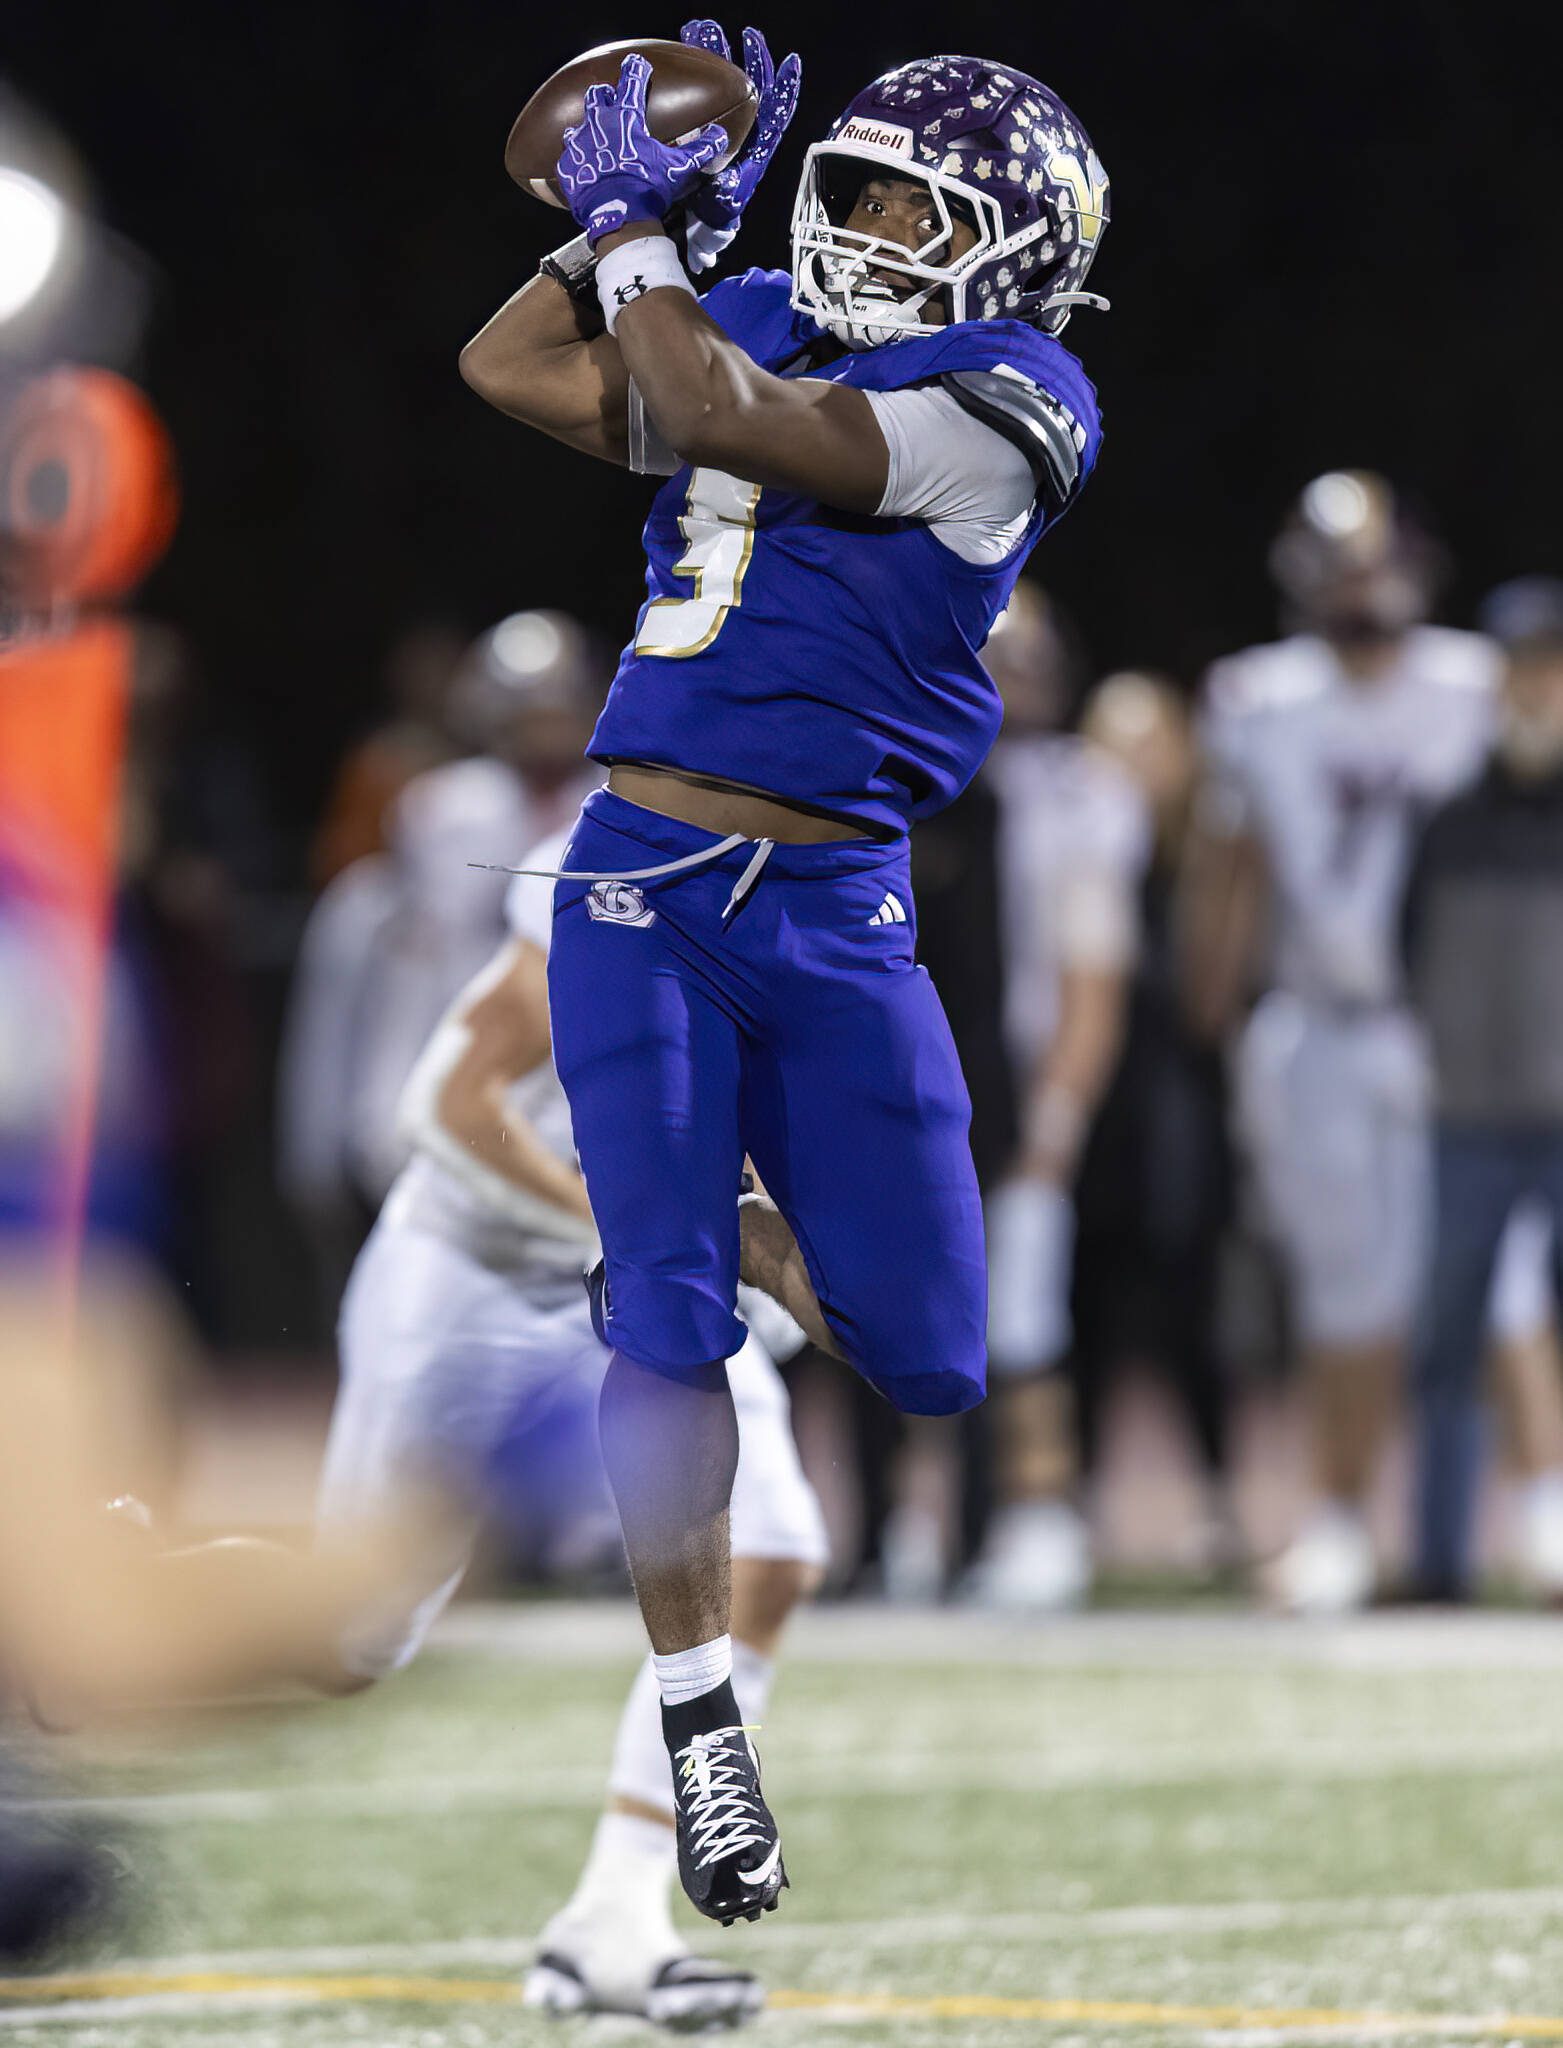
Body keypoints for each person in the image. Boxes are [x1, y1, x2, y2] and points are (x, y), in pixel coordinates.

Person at [460, 24, 1107, 1920]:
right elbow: (508, 364)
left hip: (838, 913)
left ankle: (730, 1228)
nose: (874, 229)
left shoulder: (1016, 390)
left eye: (924, 207)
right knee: (653, 1317)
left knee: (926, 1356)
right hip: (639, 876)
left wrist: (647, 237)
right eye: (859, 190)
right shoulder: (733, 308)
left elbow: (740, 420)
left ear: (1007, 247)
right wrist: (603, 241)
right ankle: (698, 1727)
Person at [314, 828, 827, 2026]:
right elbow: (445, 1102)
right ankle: (81, 1644)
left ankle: (613, 1916)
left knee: (775, 1550)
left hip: (630, 1268)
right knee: (352, 1632)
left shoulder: (840, 867)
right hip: (480, 1262)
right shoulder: (633, 856)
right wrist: (633, 1214)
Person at [1182, 471, 1528, 1611]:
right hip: (1319, 1025)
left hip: (1459, 1029)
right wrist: (1208, 1001)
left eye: (1374, 563)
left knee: (1505, 1278)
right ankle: (1336, 1517)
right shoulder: (1260, 697)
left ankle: (1543, 1506)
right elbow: (1230, 867)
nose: (1358, 586)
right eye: (1338, 565)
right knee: (1346, 1287)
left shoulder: (1474, 683)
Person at [960, 588, 1148, 1609]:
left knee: (1023, 1316)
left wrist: (1058, 1115)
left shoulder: (1082, 790)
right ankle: (926, 1519)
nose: (1010, 682)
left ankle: (1041, 1515)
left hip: (1020, 1081)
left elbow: (1093, 976)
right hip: (917, 1076)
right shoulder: (910, 772)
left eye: (1025, 662)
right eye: (994, 658)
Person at [1402, 579, 1563, 1600]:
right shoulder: (1452, 813)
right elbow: (1406, 946)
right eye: (1522, 663)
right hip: (1468, 1110)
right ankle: (1441, 1558)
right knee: (1447, 1335)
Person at [1072, 672, 1239, 1572]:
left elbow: (1211, 999)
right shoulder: (1066, 844)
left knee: (1189, 1309)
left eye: (1151, 746)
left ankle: (1219, 1498)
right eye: (1116, 745)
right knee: (1084, 1306)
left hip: (1177, 1103)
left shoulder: (1205, 853)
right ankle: (1075, 1508)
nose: (1134, 768)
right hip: (1096, 1108)